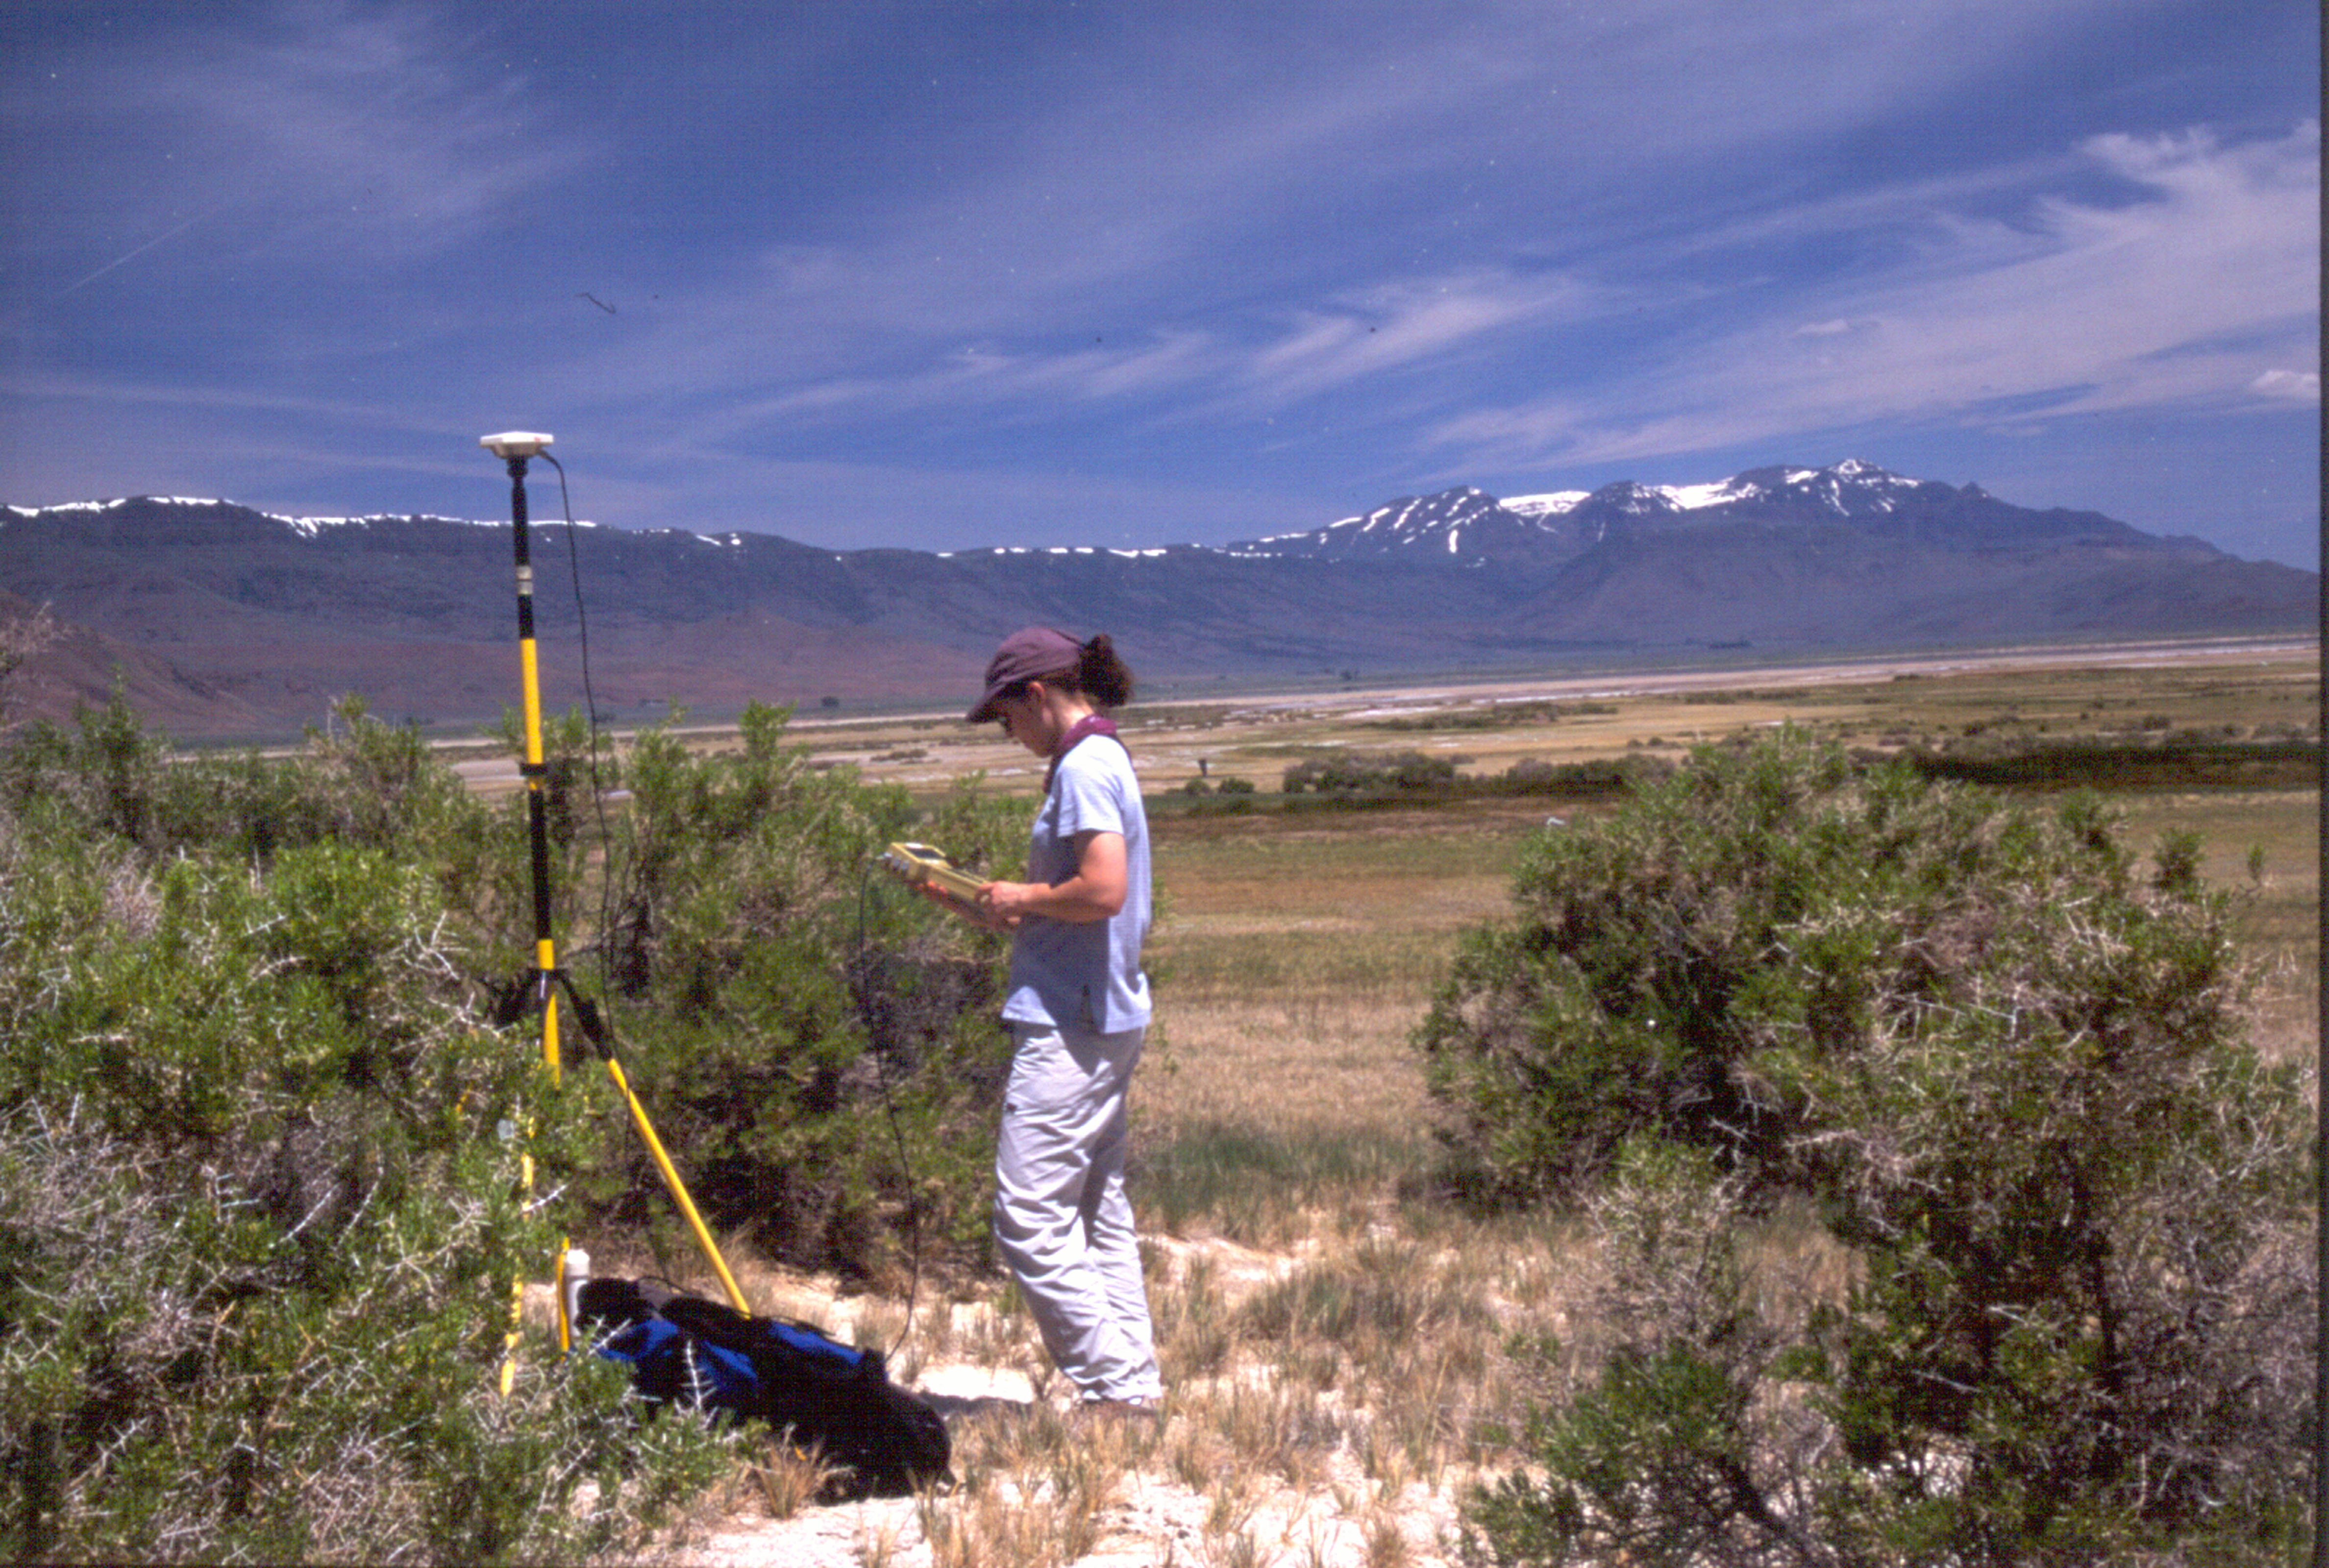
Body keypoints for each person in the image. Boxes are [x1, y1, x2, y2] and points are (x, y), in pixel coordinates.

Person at [955, 626, 1163, 1415]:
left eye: (1006, 718)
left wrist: (1026, 897)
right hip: (1100, 1011)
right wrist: (990, 902)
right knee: (1094, 1206)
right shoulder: (1100, 758)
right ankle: (1131, 1381)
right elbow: (1074, 905)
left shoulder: (1082, 766)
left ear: (1035, 695)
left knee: (1030, 1216)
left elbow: (1102, 890)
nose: (1010, 735)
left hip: (1072, 1023)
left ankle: (1117, 1385)